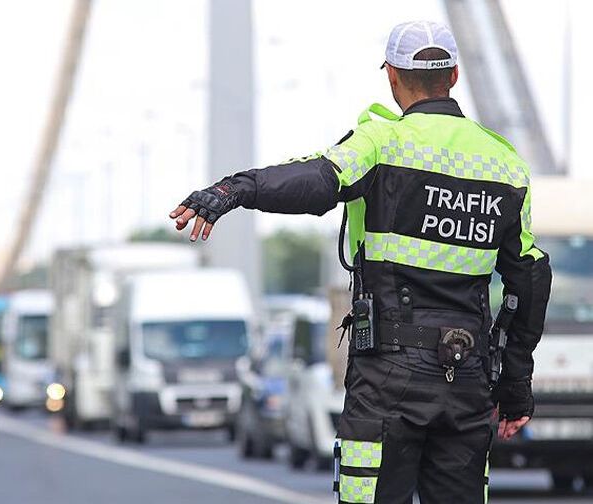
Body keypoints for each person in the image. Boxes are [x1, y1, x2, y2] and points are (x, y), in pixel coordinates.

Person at [170, 21, 551, 504]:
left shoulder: (381, 142)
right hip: (468, 379)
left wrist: (235, 189)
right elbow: (530, 278)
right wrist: (515, 385)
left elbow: (316, 181)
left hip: (389, 379)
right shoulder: (505, 164)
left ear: (391, 75)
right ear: (454, 76)